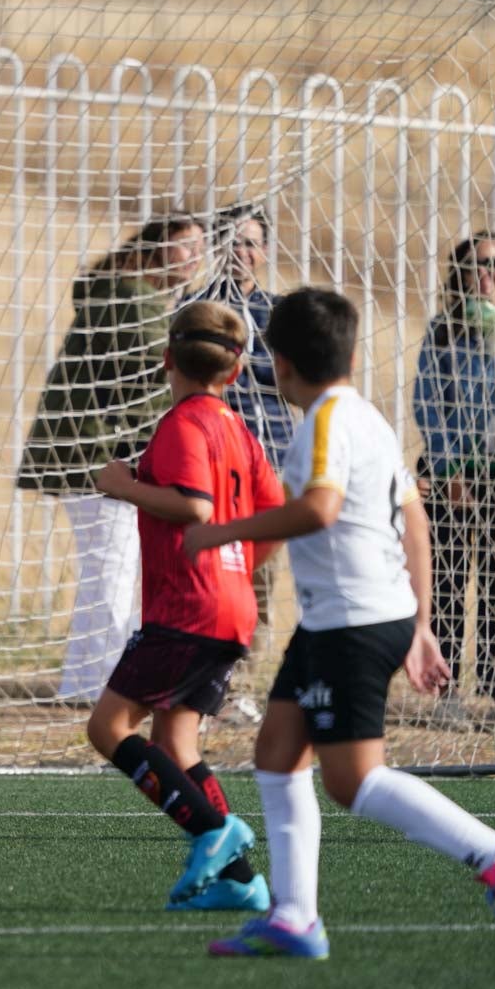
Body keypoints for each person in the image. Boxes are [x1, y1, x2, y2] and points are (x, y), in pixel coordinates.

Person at [184, 288, 495, 959]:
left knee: (350, 780)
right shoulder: (370, 420)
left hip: (348, 623)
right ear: (349, 352)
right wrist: (420, 625)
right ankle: (294, 918)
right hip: (348, 618)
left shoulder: (324, 421)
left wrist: (220, 533)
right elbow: (413, 522)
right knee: (277, 751)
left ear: (279, 363)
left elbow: (319, 510)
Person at [88, 300, 284, 913]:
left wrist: (123, 486)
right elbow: (273, 517)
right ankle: (241, 880)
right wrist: (238, 568)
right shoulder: (240, 431)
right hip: (231, 608)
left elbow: (195, 506)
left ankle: (212, 833)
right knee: (178, 742)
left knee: (108, 728)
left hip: (187, 610)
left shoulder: (184, 424)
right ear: (236, 369)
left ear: (167, 358)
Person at [18, 215, 207, 703]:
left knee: (113, 571)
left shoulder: (130, 295)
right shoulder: (129, 297)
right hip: (99, 458)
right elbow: (153, 372)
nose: (196, 258)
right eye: (185, 247)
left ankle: (93, 681)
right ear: (153, 249)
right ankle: (91, 685)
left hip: (101, 456)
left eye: (200, 248)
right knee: (112, 572)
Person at [413, 232, 495, 731]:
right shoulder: (444, 332)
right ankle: (446, 694)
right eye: (472, 267)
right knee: (446, 580)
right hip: (453, 477)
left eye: (493, 264)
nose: (483, 275)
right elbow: (428, 403)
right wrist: (447, 470)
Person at [193, 205, 290, 662]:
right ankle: (207, 665)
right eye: (233, 241)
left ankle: (248, 670)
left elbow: (290, 379)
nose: (242, 252)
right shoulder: (197, 310)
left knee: (260, 569)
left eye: (250, 242)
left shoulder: (279, 313)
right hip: (213, 457)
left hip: (269, 454)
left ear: (265, 251)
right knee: (211, 564)